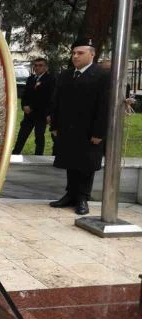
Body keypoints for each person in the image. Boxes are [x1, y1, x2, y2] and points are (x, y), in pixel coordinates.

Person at [49, 37, 109, 215]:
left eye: (80, 53)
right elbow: (56, 102)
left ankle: (82, 197)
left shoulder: (102, 76)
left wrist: (99, 132)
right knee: (71, 161)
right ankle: (70, 194)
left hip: (89, 130)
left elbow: (104, 105)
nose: (75, 56)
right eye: (73, 53)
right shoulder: (66, 75)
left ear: (92, 54)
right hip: (67, 129)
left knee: (86, 164)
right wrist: (55, 124)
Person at [12, 58, 55, 155]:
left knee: (39, 136)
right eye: (35, 65)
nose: (37, 67)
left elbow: (47, 98)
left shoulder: (50, 79)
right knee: (22, 135)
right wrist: (24, 106)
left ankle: (38, 156)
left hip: (41, 114)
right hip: (28, 115)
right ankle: (15, 153)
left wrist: (32, 106)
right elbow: (24, 95)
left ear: (46, 67)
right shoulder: (31, 79)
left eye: (40, 65)